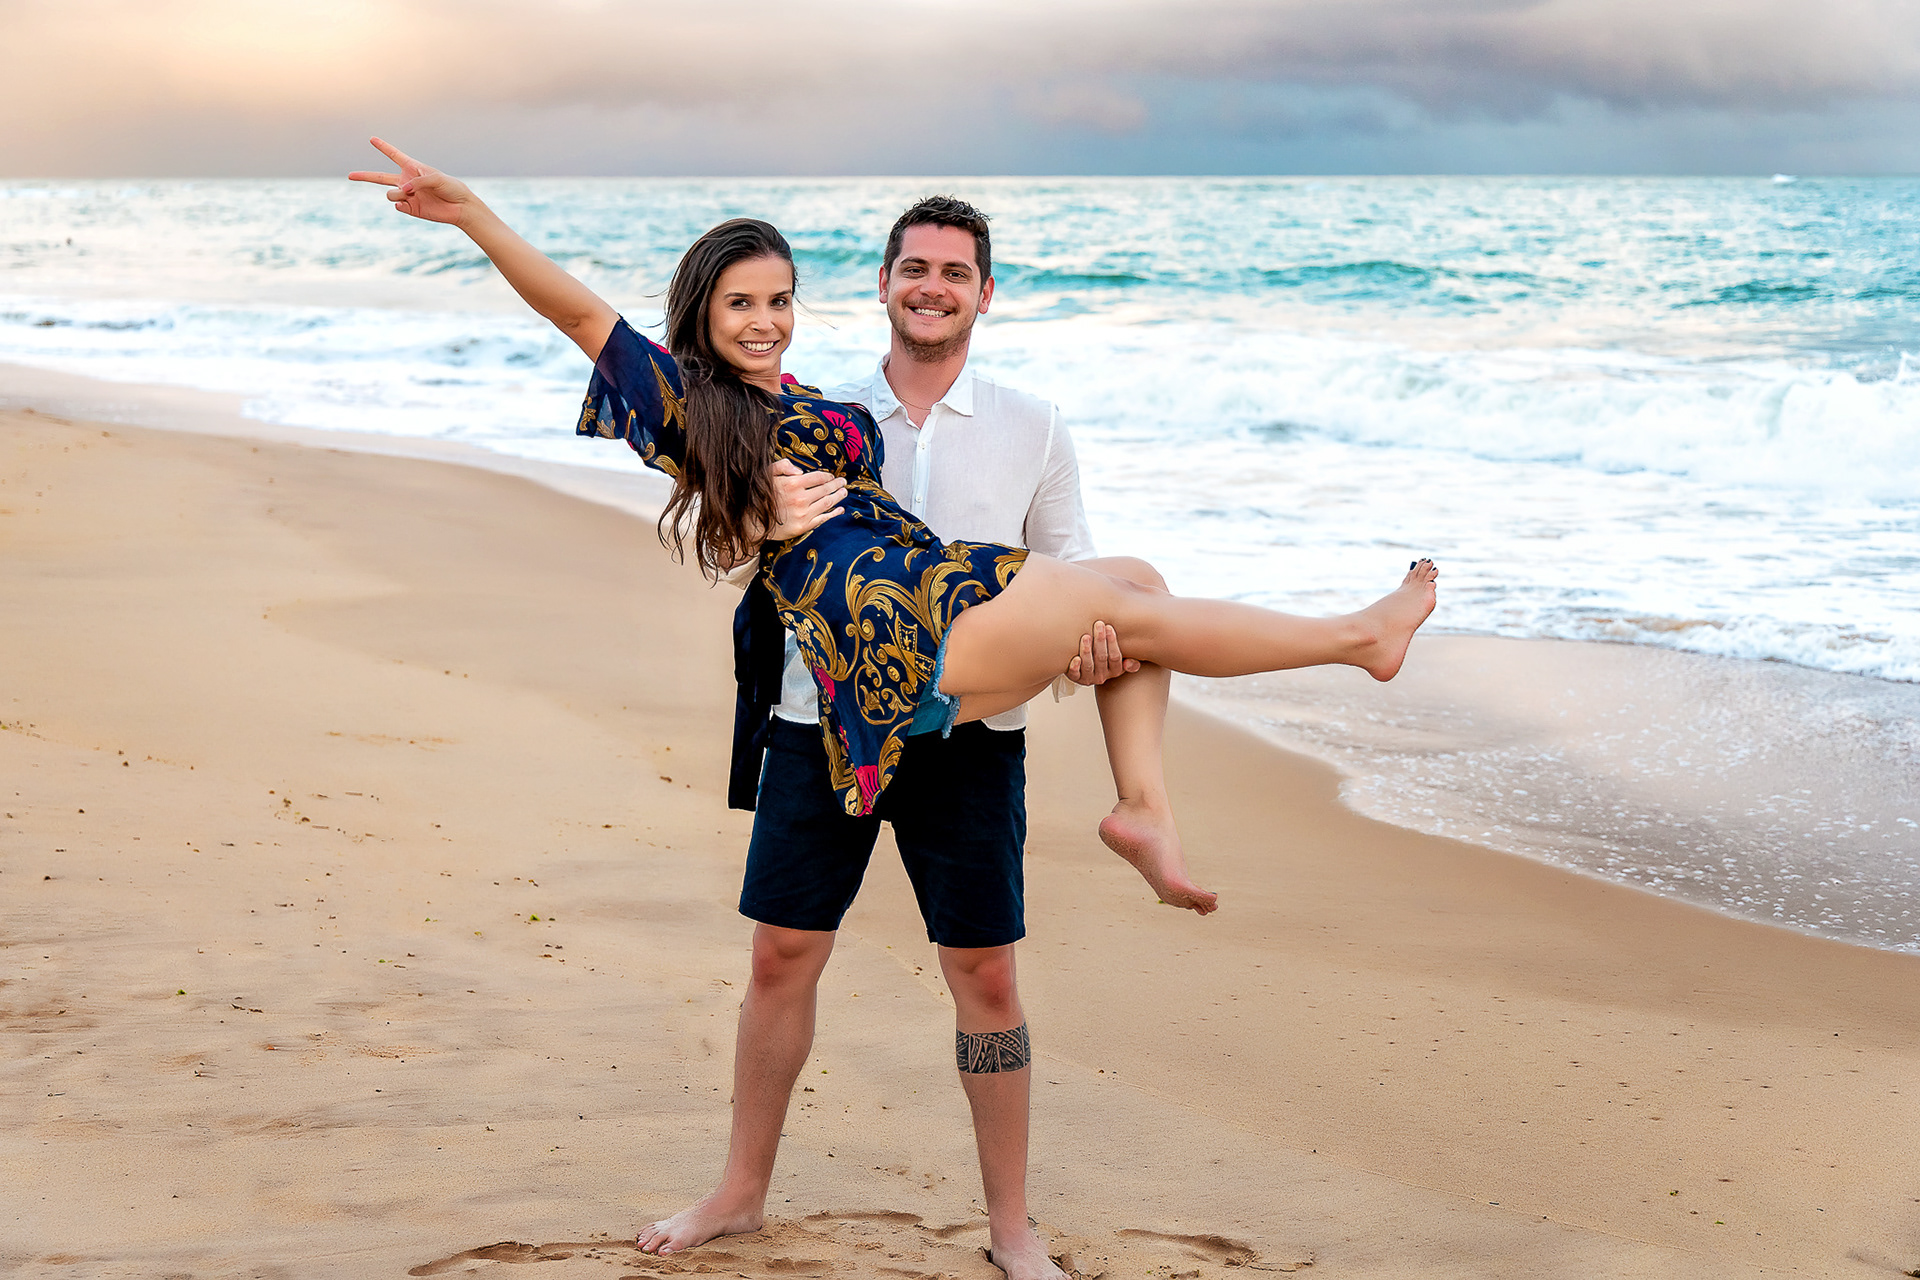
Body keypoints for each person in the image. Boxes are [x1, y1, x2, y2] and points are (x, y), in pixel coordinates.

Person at [350, 140, 1440, 1276]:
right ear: (872, 285)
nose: (765, 320)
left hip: (955, 638)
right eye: (741, 303)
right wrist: (475, 216)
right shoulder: (691, 406)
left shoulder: (883, 412)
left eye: (779, 299)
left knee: (1134, 594)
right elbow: (582, 317)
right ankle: (1353, 643)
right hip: (864, 670)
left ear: (979, 291)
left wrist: (1070, 637)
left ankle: (1128, 862)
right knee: (783, 954)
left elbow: (976, 547)